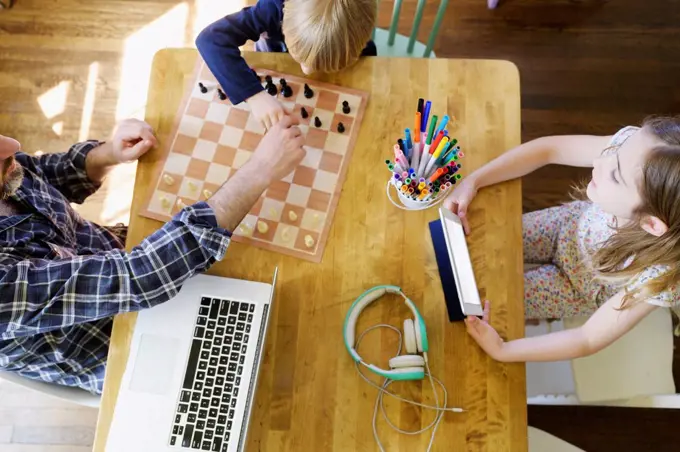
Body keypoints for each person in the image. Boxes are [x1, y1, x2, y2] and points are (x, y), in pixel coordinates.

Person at [0, 116, 305, 394]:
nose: (12, 146)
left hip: (141, 256)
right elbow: (139, 277)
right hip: (138, 348)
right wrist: (259, 171)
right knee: (291, 373)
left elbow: (41, 172)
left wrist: (109, 153)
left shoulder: (6, 165)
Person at [444, 116, 680, 362]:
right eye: (615, 150)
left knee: (480, 303)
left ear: (651, 223)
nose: (600, 161)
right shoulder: (635, 150)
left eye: (616, 176)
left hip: (573, 289)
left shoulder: (663, 278)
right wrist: (474, 181)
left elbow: (587, 338)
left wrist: (503, 351)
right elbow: (548, 150)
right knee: (474, 243)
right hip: (564, 226)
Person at [195, 0, 377, 130]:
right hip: (273, 54)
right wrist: (255, 95)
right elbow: (210, 40)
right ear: (284, 23)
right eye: (300, 57)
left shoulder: (356, 23)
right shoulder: (272, 8)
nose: (306, 70)